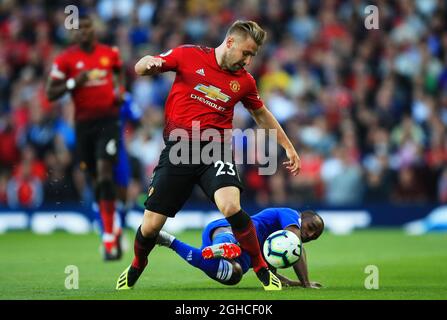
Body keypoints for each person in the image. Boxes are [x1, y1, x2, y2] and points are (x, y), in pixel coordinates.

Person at [116, 20, 301, 291]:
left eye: (252, 56)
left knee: (231, 207)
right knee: (150, 227)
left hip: (215, 149)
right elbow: (142, 65)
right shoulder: (188, 55)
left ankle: (261, 268)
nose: (248, 61)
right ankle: (137, 262)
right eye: (246, 53)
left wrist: (288, 146)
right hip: (178, 150)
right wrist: (147, 65)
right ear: (230, 43)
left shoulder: (245, 82)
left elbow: (261, 115)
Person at [46, 13, 125, 260]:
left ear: (95, 30)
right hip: (84, 125)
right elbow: (50, 93)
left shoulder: (109, 53)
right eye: (80, 29)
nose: (85, 32)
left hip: (109, 122)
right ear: (75, 33)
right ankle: (112, 225)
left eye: (89, 28)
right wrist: (73, 83)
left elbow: (120, 74)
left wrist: (119, 91)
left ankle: (109, 236)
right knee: (94, 179)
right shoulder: (66, 59)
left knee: (104, 172)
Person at [156, 207, 324, 288]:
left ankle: (170, 241)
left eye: (314, 237)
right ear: (302, 217)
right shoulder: (291, 215)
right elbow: (296, 245)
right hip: (235, 229)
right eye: (310, 228)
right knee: (232, 235)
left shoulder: (277, 248)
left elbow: (270, 275)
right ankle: (223, 245)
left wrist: (293, 283)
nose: (309, 235)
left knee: (234, 275)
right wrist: (306, 283)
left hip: (241, 257)